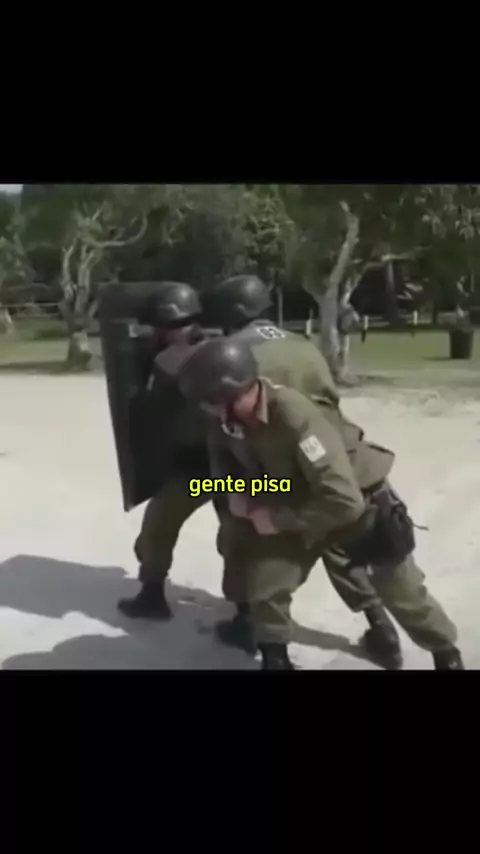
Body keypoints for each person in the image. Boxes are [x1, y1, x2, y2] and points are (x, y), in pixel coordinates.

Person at [179, 336, 464, 671]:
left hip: (355, 501)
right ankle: (275, 658)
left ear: (231, 393)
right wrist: (237, 495)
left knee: (401, 592)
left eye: (209, 402)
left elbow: (343, 499)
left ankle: (446, 655)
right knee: (267, 581)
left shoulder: (293, 414)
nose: (206, 410)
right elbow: (222, 473)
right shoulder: (225, 422)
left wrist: (278, 520)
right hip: (293, 497)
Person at [204, 274, 402, 668]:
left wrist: (223, 491)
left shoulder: (230, 355)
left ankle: (249, 624)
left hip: (272, 473)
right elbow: (330, 403)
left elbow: (222, 434)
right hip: (334, 460)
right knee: (344, 544)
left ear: (230, 314)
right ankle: (381, 629)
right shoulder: (303, 344)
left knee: (246, 541)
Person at [117, 282, 211, 620]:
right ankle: (246, 615)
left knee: (156, 529)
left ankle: (152, 596)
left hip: (200, 473)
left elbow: (149, 412)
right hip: (240, 471)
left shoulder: (170, 360)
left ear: (163, 324)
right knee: (240, 535)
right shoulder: (226, 347)